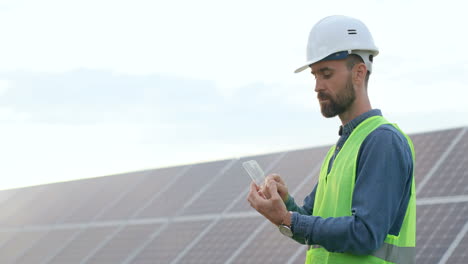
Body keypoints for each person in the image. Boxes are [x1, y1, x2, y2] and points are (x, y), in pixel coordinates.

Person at [247, 15, 416, 264]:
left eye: (326, 74)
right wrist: (285, 204)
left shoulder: (382, 141)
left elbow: (365, 234)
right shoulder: (343, 148)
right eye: (314, 75)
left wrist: (286, 219)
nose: (317, 86)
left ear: (359, 73)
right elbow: (312, 224)